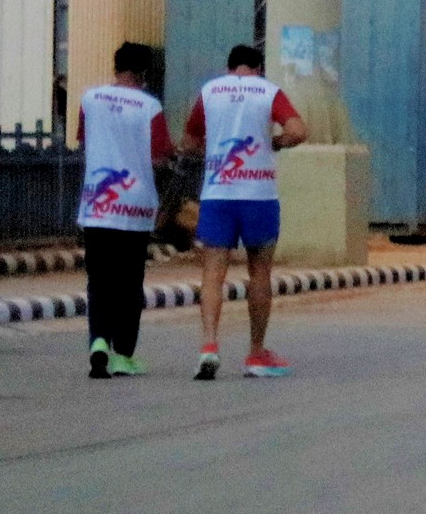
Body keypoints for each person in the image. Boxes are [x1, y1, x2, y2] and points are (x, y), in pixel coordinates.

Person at [182, 42, 307, 379]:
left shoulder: (210, 92)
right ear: (259, 69)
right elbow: (298, 131)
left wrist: (213, 151)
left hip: (218, 195)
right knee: (260, 273)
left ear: (229, 68)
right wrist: (274, 143)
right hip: (258, 196)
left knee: (213, 273)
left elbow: (189, 142)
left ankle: (209, 346)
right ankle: (256, 353)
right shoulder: (268, 91)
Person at [77, 42, 173, 379]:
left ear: (116, 67)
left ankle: (98, 342)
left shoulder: (90, 99)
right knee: (129, 282)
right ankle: (123, 354)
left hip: (98, 204)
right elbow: (160, 156)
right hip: (135, 206)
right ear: (144, 73)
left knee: (99, 279)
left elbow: (84, 141)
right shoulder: (149, 106)